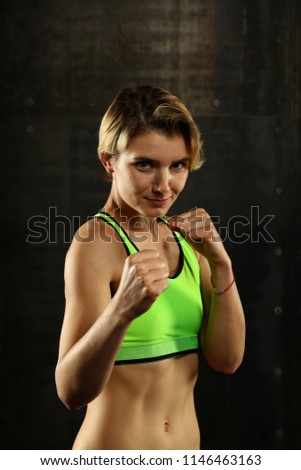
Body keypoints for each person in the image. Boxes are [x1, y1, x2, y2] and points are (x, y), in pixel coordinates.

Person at [55, 85, 245, 450]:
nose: (164, 186)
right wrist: (121, 311)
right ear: (109, 161)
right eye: (145, 164)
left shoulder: (189, 242)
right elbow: (70, 391)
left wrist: (221, 264)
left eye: (178, 166)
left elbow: (227, 360)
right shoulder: (96, 243)